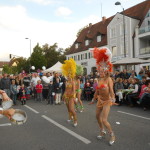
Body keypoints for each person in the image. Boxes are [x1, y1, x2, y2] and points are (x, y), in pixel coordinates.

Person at [91, 47, 116, 145]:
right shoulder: (99, 80)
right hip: (100, 100)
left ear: (105, 71)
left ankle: (112, 135)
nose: (99, 72)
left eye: (101, 71)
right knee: (97, 116)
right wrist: (93, 99)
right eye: (99, 71)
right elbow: (97, 91)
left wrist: (113, 97)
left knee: (104, 120)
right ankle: (102, 131)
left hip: (107, 101)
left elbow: (111, 90)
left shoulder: (108, 79)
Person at [62, 58, 77, 127]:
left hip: (71, 96)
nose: (68, 76)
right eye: (67, 75)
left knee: (71, 109)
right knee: (68, 109)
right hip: (66, 96)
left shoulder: (73, 82)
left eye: (69, 75)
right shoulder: (66, 82)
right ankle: (70, 117)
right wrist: (63, 95)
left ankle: (75, 120)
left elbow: (74, 90)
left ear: (72, 75)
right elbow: (66, 89)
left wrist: (74, 97)